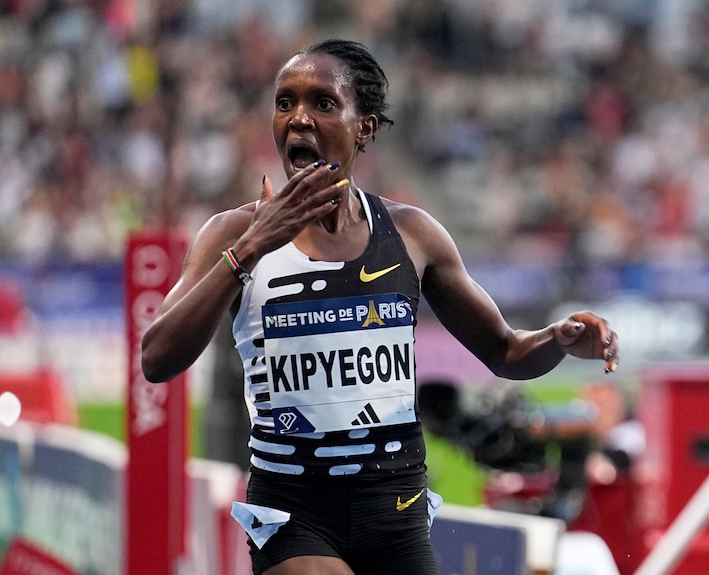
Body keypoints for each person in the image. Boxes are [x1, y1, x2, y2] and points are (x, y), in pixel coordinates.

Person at [141, 39, 619, 575]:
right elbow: (156, 358)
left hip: (397, 513)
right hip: (293, 514)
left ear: (363, 127)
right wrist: (253, 246)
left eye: (322, 103)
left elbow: (506, 352)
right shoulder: (230, 234)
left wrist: (556, 338)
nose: (298, 119)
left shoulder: (412, 235)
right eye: (284, 103)